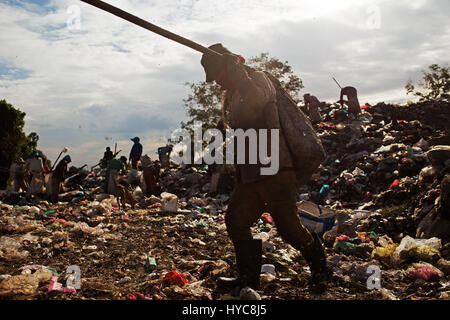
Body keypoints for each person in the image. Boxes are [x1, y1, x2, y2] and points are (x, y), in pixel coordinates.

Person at [200, 43, 331, 293]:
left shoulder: (257, 79)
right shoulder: (234, 94)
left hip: (276, 170)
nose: (217, 83)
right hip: (251, 173)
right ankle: (248, 278)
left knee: (290, 230)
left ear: (229, 66)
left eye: (219, 75)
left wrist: (237, 71)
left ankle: (321, 268)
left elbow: (257, 103)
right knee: (236, 220)